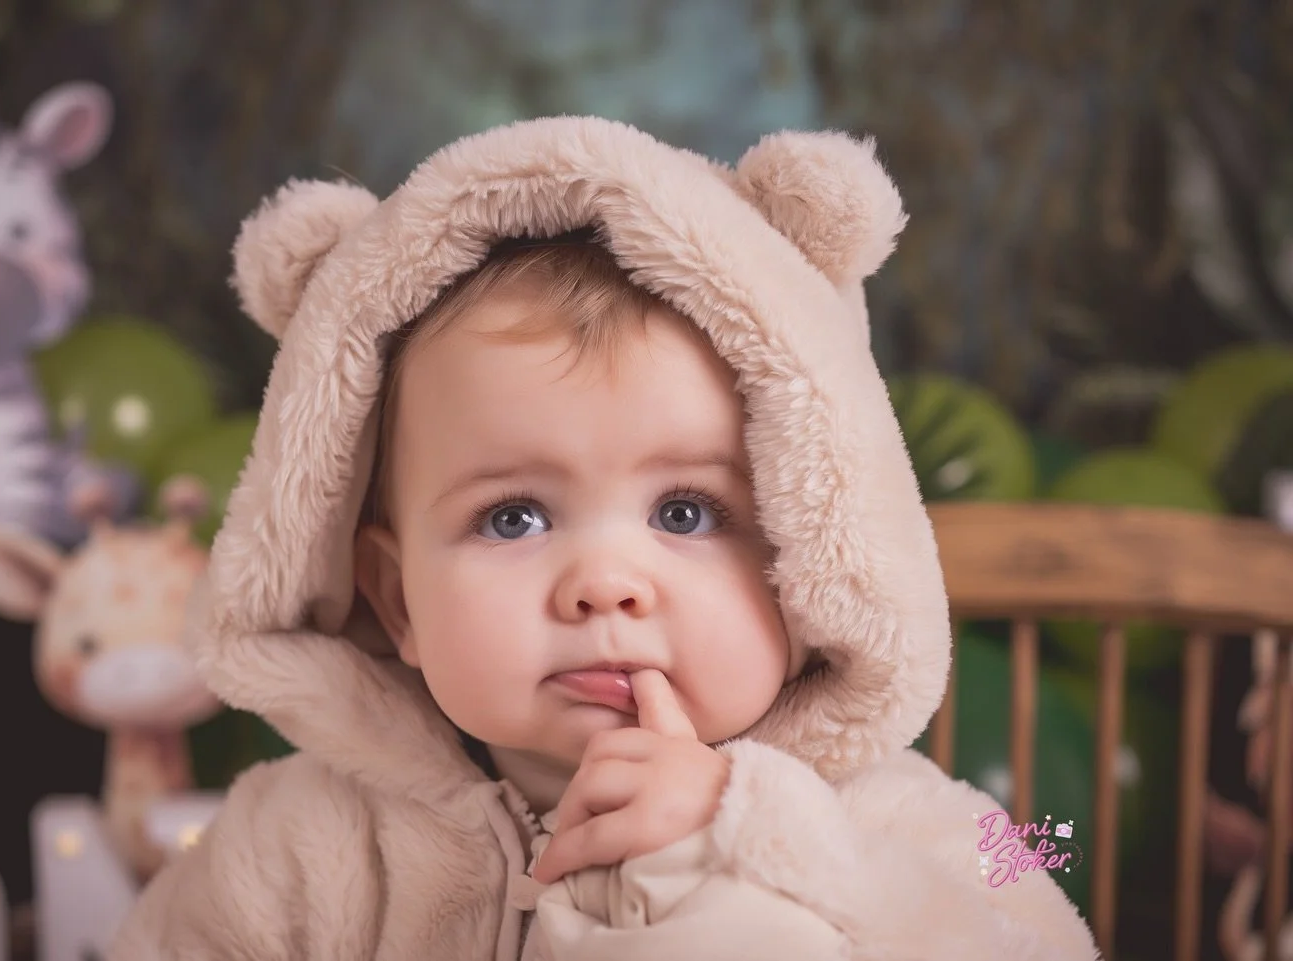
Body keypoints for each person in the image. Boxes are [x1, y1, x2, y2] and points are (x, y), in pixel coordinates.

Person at [108, 116, 1099, 960]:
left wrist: (752, 843)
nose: (604, 584)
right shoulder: (292, 843)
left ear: (811, 556)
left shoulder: (926, 828)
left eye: (687, 512)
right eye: (514, 517)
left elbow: (1039, 927)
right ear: (397, 598)